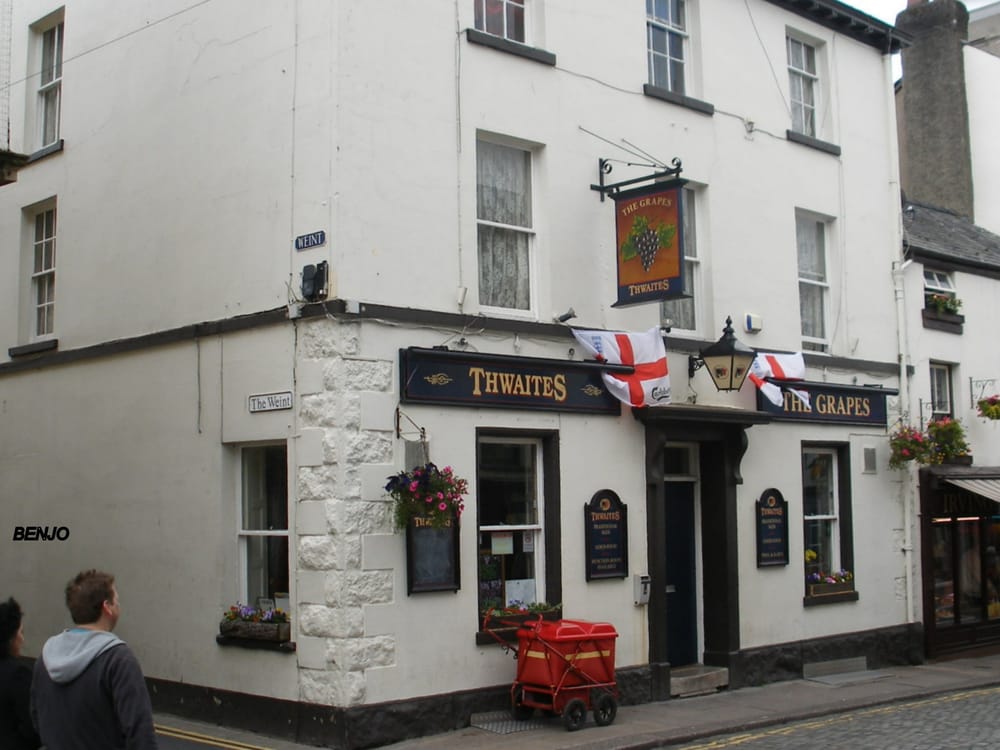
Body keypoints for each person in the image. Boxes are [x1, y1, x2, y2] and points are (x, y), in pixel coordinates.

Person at [31, 570, 158, 749]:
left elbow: (37, 718)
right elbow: (140, 732)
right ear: (107, 607)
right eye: (117, 600)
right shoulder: (118, 659)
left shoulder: (45, 657)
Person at [0, 597, 42, 749]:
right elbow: (31, 725)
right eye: (21, 633)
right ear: (11, 638)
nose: (22, 639)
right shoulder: (19, 674)